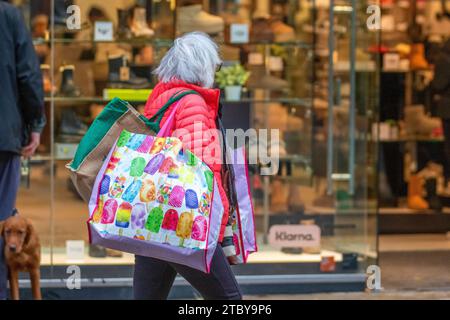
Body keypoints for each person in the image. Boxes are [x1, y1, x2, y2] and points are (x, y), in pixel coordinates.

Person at [135, 32, 241, 300]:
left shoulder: (162, 97)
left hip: (152, 217)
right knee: (229, 300)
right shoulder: (193, 102)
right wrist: (220, 218)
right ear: (202, 66)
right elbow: (197, 168)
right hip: (183, 221)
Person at [0, 2, 46, 300]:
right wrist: (35, 122)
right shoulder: (8, 15)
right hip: (3, 134)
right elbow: (28, 74)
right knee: (2, 217)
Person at [432, 38, 450, 193]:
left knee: (448, 147)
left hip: (447, 108)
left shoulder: (443, 57)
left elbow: (438, 84)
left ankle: (446, 182)